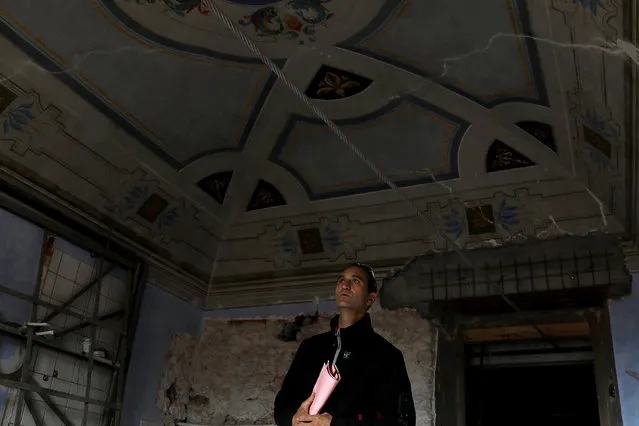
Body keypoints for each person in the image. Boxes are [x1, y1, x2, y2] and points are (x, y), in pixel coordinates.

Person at [274, 263, 416, 426]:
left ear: (370, 298)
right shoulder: (310, 348)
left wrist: (334, 424)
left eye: (355, 281)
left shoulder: (386, 356)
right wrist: (293, 419)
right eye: (341, 280)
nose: (345, 285)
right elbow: (283, 401)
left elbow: (402, 423)